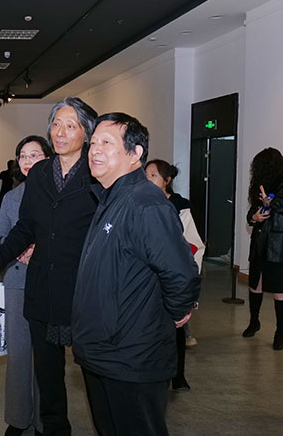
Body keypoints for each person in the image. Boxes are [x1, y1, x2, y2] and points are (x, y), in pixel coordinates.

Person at [72, 113, 201, 436]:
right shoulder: (111, 197)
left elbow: (181, 273)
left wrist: (175, 313)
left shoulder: (145, 204)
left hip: (131, 358)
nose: (94, 150)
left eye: (106, 142)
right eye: (93, 142)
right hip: (103, 353)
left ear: (135, 153)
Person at [0, 96, 99, 436]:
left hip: (82, 290)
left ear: (86, 133)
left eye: (70, 125)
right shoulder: (41, 173)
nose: (60, 132)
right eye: (56, 124)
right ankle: (55, 429)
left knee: (95, 374)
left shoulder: (97, 174)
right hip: (42, 288)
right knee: (48, 375)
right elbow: (25, 227)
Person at [0, 135, 51, 436]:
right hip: (16, 282)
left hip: (49, 283)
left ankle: (44, 420)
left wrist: (39, 249)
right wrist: (18, 249)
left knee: (46, 355)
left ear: (48, 158)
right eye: (23, 156)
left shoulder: (60, 195)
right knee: (18, 355)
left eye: (35, 155)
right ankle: (18, 419)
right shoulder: (12, 197)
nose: (28, 161)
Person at [145, 159, 205, 391]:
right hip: (148, 277)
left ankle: (178, 375)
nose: (148, 180)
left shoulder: (180, 207)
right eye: (146, 175)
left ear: (167, 180)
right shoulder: (139, 203)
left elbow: (192, 244)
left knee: (177, 328)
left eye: (153, 175)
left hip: (172, 275)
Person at [242, 147, 283, 351]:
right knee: (255, 285)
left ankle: (280, 332)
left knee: (279, 291)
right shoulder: (260, 185)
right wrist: (254, 217)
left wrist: (270, 201)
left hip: (277, 245)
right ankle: (254, 321)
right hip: (259, 241)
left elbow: (280, 206)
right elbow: (252, 211)